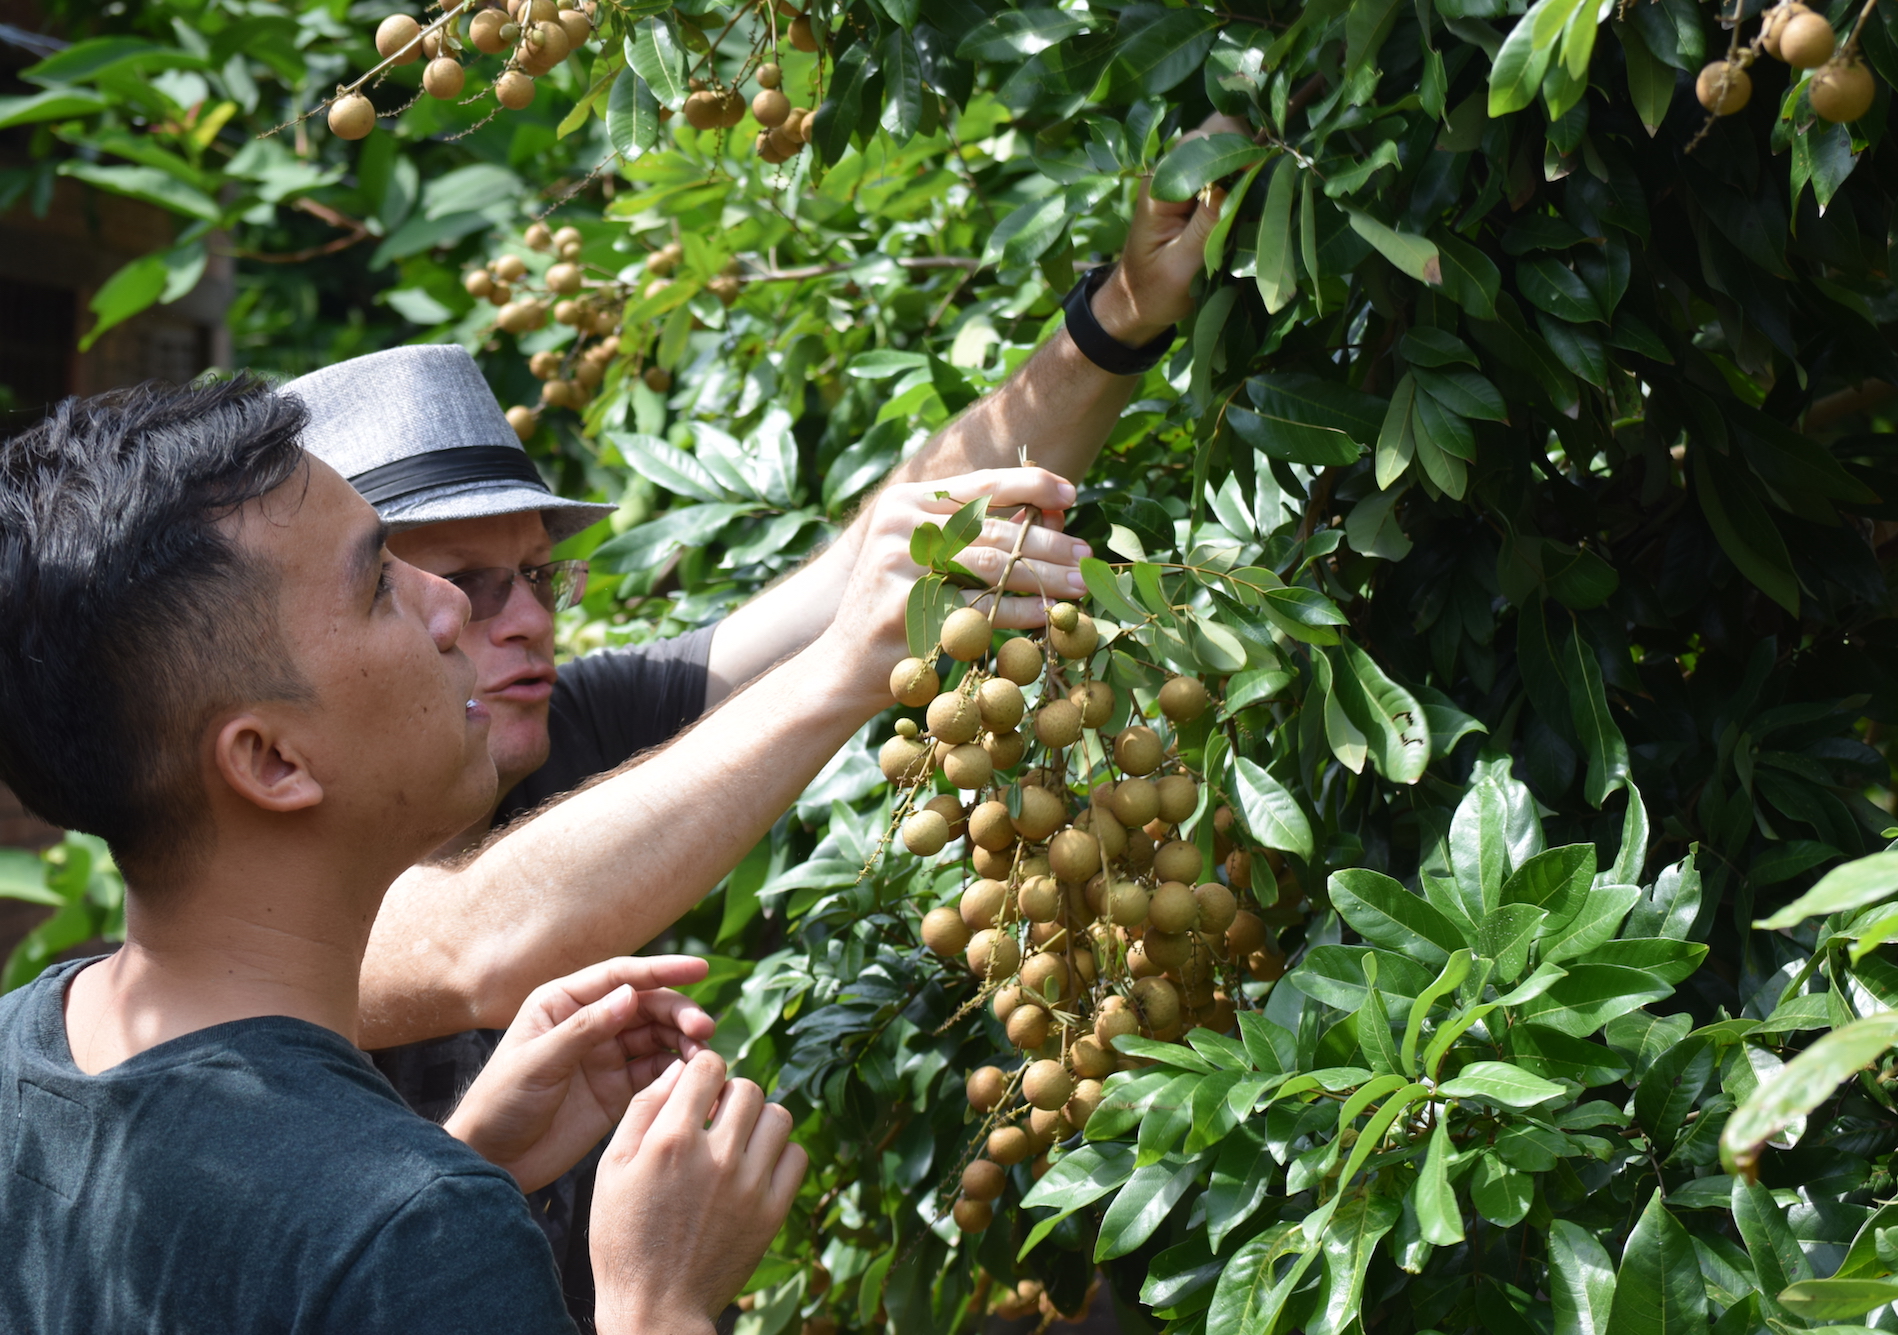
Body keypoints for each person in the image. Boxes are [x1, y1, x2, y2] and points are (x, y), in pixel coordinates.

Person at [295, 182, 1219, 1321]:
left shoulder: (573, 724)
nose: (525, 617)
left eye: (535, 574)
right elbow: (472, 940)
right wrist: (842, 672)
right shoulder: (263, 887)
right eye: (468, 586)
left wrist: (1115, 318)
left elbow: (873, 560)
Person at [0, 377, 804, 1333]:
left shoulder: (19, 1049)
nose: (450, 608)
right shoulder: (418, 1234)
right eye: (382, 581)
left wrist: (467, 1158)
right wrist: (657, 1301)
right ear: (273, 760)